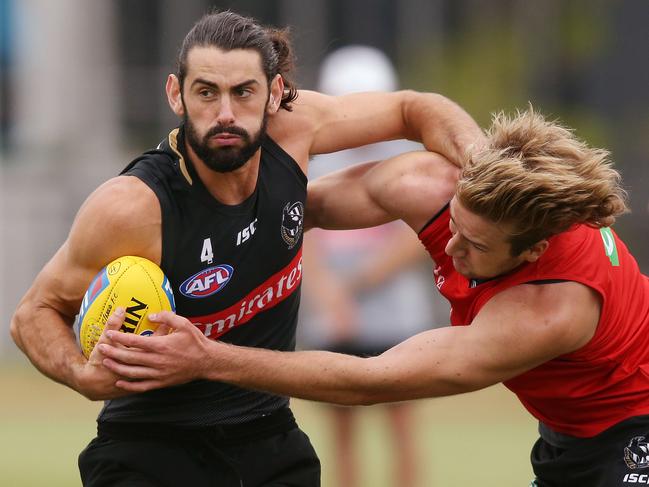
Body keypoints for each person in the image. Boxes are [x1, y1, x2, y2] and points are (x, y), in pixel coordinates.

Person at [9, 9, 483, 487]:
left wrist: (488, 167)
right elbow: (33, 313)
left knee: (430, 175)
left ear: (274, 94)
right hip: (148, 445)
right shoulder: (131, 208)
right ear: (176, 94)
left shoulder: (295, 131)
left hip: (267, 437)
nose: (226, 114)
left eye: (244, 91)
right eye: (206, 92)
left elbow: (415, 109)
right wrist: (81, 376)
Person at [97, 108, 649, 487]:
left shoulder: (549, 312)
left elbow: (372, 380)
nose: (449, 245)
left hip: (631, 429)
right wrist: (182, 233)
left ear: (532, 252)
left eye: (476, 245)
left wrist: (208, 358)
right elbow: (293, 211)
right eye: (454, 223)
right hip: (566, 434)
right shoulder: (434, 187)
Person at [299, 45, 437, 487]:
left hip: (395, 313)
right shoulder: (315, 159)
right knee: (340, 433)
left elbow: (421, 236)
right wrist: (327, 294)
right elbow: (304, 238)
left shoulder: (412, 155)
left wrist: (354, 284)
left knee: (401, 427)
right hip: (334, 317)